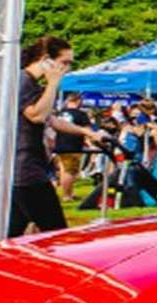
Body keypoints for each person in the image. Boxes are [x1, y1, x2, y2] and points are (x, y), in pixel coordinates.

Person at [9, 36, 101, 237]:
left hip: (28, 167)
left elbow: (53, 120)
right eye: (64, 62)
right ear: (45, 59)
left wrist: (87, 132)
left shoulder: (32, 84)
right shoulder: (24, 82)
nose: (67, 69)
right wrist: (52, 84)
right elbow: (36, 115)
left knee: (13, 233)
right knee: (57, 233)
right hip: (26, 169)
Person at [52, 92, 94, 200]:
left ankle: (69, 193)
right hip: (73, 145)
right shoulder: (81, 114)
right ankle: (67, 195)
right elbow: (87, 130)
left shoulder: (60, 113)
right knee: (70, 171)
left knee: (63, 170)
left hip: (59, 144)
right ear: (78, 101)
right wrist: (92, 142)